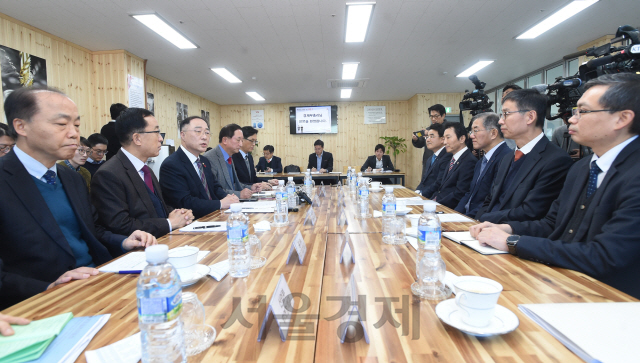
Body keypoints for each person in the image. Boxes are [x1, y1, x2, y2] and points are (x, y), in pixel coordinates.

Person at [470, 73, 640, 299]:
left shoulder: (634, 173)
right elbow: (553, 224)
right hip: (563, 280)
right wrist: (507, 228)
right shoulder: (582, 168)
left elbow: (604, 256)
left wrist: (513, 242)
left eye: (583, 111)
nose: (571, 119)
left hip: (612, 297)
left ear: (622, 118)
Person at [0, 87, 156, 309]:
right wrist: (48, 288)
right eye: (62, 124)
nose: (73, 133)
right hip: (42, 303)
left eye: (76, 125)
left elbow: (94, 231)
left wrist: (123, 241)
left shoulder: (70, 177)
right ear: (21, 126)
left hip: (97, 283)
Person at [92, 108, 194, 238]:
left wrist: (179, 214)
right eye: (156, 132)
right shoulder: (108, 174)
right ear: (137, 138)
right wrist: (169, 223)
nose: (160, 139)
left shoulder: (146, 169)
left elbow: (156, 207)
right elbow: (120, 225)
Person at [475, 89, 572, 223]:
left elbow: (530, 211)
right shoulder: (507, 158)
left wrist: (485, 220)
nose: (500, 121)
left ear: (530, 117)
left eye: (506, 114)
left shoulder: (555, 160)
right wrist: (478, 220)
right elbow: (490, 200)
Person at [160, 116, 238, 219]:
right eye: (198, 131)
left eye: (207, 133)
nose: (204, 137)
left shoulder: (204, 160)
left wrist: (229, 198)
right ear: (183, 135)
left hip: (215, 216)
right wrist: (220, 204)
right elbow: (185, 202)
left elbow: (215, 187)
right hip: (192, 223)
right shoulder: (171, 165)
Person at [455, 113, 512, 217]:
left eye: (476, 130)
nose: (471, 136)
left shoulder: (506, 158)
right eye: (471, 131)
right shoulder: (481, 161)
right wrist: (455, 215)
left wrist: (467, 219)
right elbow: (470, 193)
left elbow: (492, 200)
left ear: (493, 133)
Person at [203, 123, 262, 199]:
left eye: (242, 141)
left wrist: (251, 187)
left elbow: (234, 185)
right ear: (225, 140)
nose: (241, 144)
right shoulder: (209, 158)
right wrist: (239, 194)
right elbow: (214, 190)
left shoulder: (230, 156)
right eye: (238, 140)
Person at [428, 122, 477, 208]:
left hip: (450, 208)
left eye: (448, 137)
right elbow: (442, 189)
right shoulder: (453, 158)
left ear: (462, 138)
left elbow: (459, 194)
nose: (445, 142)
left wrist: (436, 205)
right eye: (444, 138)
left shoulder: (469, 161)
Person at [415, 123, 452, 197]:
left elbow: (439, 182)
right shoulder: (430, 158)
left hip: (435, 198)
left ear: (442, 139)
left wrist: (422, 194)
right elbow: (424, 180)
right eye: (427, 137)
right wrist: (416, 191)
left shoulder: (447, 157)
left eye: (432, 136)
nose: (428, 140)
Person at [412, 104, 447, 179]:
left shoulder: (449, 128)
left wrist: (429, 133)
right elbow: (420, 143)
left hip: (443, 162)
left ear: (443, 115)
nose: (433, 119)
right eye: (431, 116)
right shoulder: (429, 129)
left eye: (436, 116)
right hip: (428, 160)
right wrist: (416, 140)